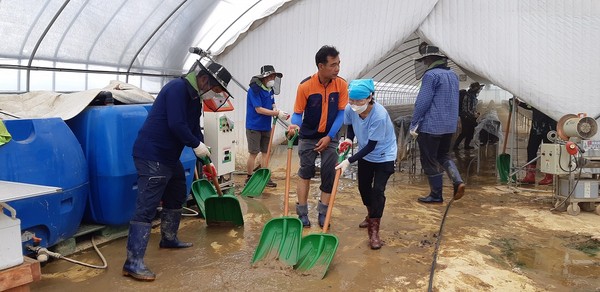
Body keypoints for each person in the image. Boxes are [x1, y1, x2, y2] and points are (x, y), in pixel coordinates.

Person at [123, 59, 233, 281]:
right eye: (215, 88)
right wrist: (195, 145)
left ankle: (169, 238)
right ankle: (132, 263)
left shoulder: (195, 98)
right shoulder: (177, 89)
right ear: (203, 79)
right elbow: (176, 125)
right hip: (151, 154)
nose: (214, 94)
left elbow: (193, 128)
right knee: (147, 206)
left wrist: (205, 156)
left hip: (168, 156)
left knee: (177, 192)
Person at [287, 45, 348, 228]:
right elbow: (298, 113)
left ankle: (323, 212)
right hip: (308, 136)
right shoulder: (305, 86)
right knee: (305, 172)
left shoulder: (341, 84)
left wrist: (329, 137)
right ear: (321, 66)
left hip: (330, 137)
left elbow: (341, 114)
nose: (337, 68)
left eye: (338, 64)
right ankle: (303, 213)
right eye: (333, 65)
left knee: (329, 173)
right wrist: (294, 125)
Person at [335, 79, 397, 250]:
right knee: (363, 187)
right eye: (352, 100)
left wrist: (348, 161)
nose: (354, 105)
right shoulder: (350, 108)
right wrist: (348, 139)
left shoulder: (379, 115)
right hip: (366, 154)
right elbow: (351, 126)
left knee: (377, 190)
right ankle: (370, 214)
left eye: (359, 101)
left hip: (384, 155)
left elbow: (371, 146)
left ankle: (374, 230)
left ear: (370, 97)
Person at [409, 43, 465, 203]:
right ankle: (458, 181)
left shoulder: (431, 76)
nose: (424, 63)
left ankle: (436, 194)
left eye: (425, 60)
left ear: (430, 59)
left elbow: (423, 102)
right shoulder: (453, 75)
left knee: (429, 159)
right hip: (449, 125)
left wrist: (414, 123)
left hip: (431, 126)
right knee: (443, 155)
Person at [246, 65, 290, 187]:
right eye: (271, 76)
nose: (273, 78)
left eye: (274, 76)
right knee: (254, 152)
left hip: (266, 126)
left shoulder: (269, 89)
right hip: (254, 126)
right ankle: (249, 177)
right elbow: (259, 109)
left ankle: (265, 177)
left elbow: (272, 102)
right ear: (264, 77)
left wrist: (275, 108)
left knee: (266, 152)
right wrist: (276, 113)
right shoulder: (254, 90)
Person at [517, 101, 557, 185]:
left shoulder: (553, 98)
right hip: (536, 126)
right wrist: (520, 103)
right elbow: (530, 105)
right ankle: (530, 175)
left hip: (550, 127)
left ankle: (549, 176)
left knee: (548, 151)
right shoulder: (537, 98)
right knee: (531, 148)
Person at [453, 82, 483, 150]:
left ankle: (467, 145)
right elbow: (466, 109)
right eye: (478, 89)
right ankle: (455, 146)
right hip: (466, 117)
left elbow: (472, 107)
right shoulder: (468, 96)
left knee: (471, 131)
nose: (479, 90)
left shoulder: (473, 96)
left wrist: (475, 113)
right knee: (464, 132)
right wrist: (473, 114)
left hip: (470, 116)